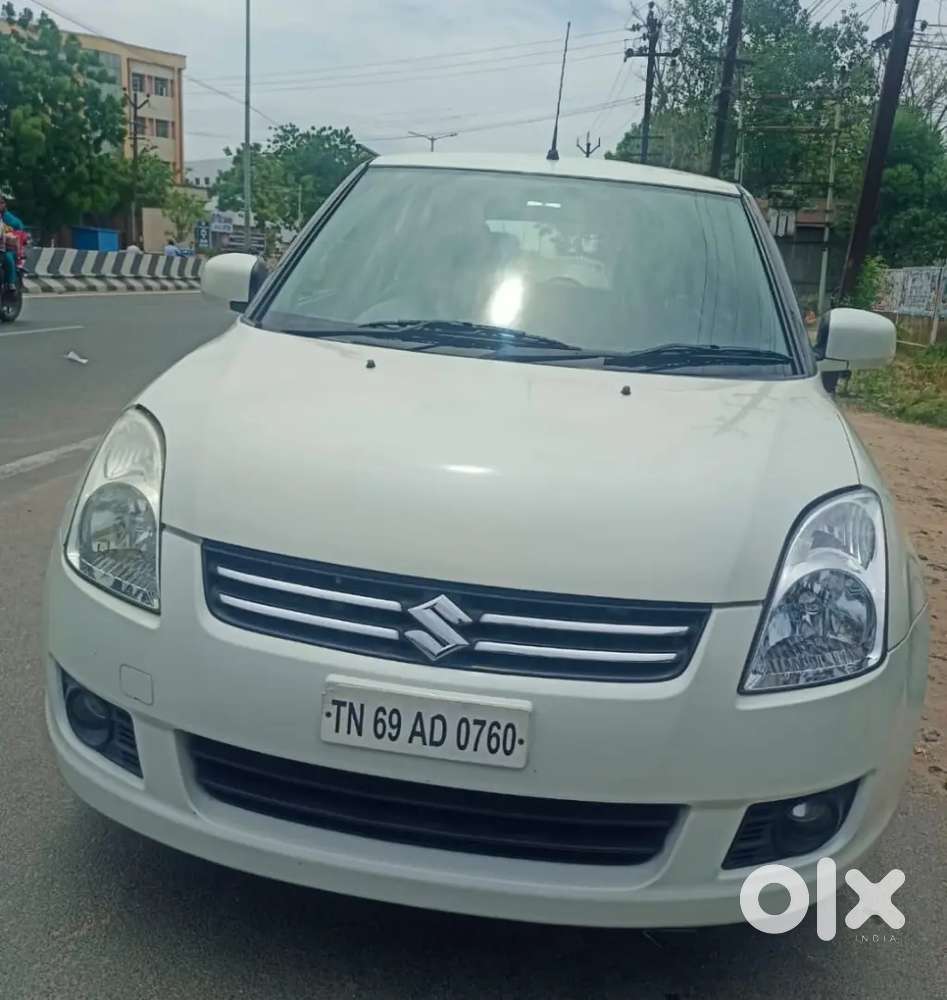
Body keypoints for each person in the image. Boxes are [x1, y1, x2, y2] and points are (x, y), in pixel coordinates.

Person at [0, 194, 24, 290]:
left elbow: (19, 237)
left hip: (6, 249)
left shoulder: (12, 221)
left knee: (8, 258)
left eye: (1, 203)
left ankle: (10, 282)